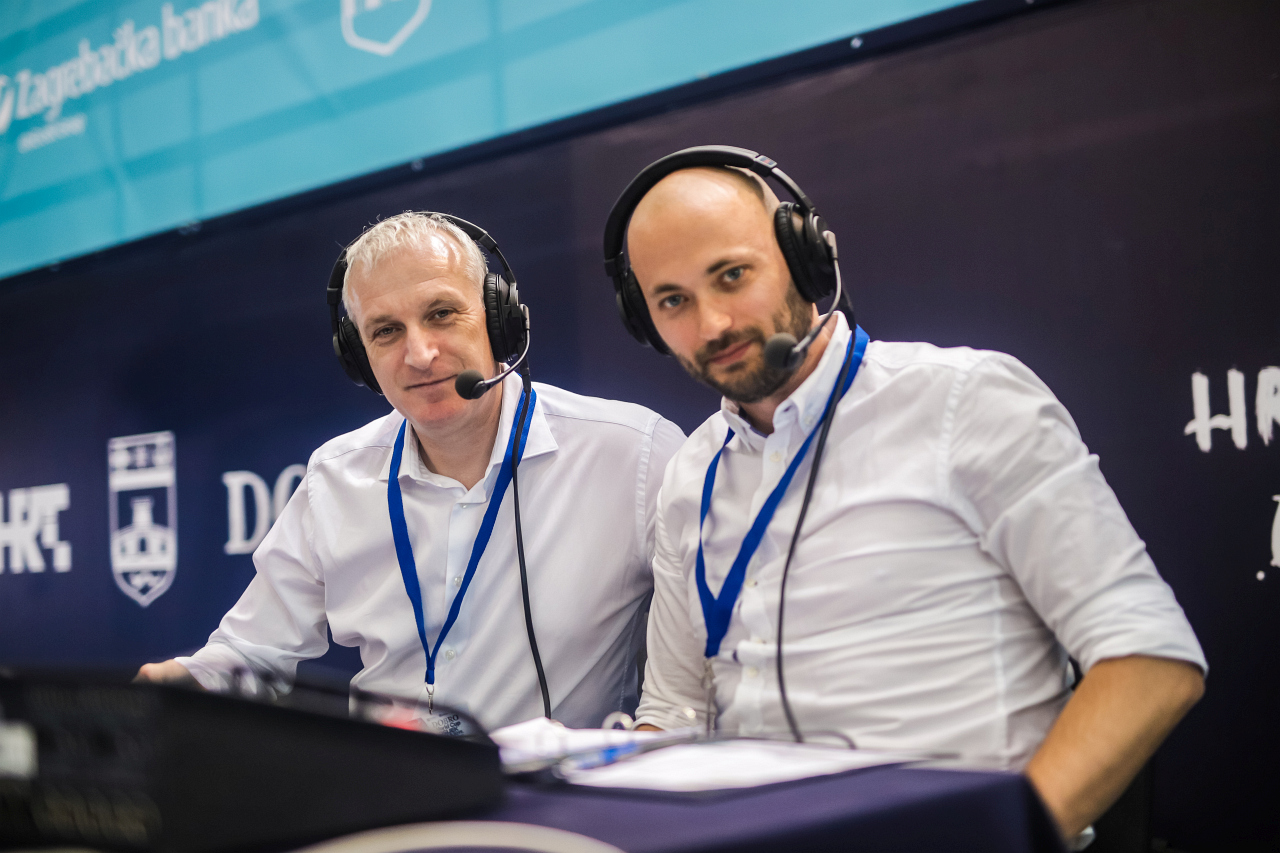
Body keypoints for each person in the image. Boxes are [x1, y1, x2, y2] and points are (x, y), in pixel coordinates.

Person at [604, 147, 1205, 842]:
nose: (711, 325)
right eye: (673, 300)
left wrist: (1007, 837)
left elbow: (1150, 658)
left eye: (732, 275)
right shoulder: (692, 474)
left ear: (805, 259)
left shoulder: (966, 402)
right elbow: (672, 710)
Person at [138, 212, 684, 731]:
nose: (419, 354)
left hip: (553, 790)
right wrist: (184, 683)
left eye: (441, 314)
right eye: (385, 331)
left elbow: (693, 671)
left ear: (498, 319)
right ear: (359, 357)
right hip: (391, 781)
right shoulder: (336, 478)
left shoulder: (633, 454)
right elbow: (252, 652)